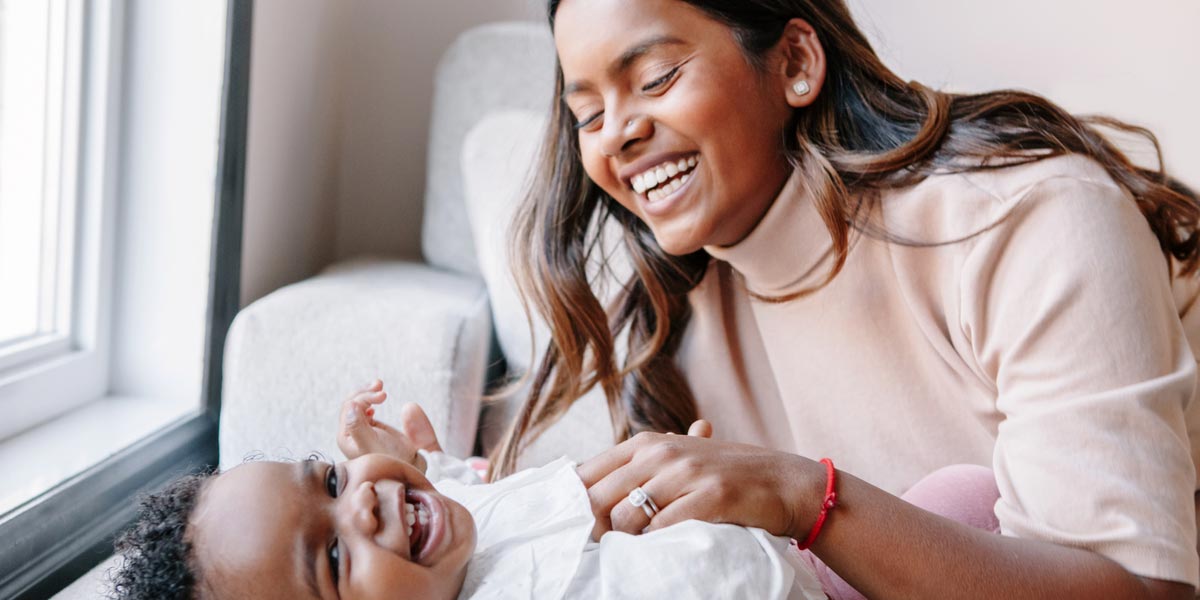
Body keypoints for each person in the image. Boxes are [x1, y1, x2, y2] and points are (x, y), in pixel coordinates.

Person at [490, 0, 1200, 598]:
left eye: (656, 77)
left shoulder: (1026, 218)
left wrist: (807, 498)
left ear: (796, 62)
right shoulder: (681, 328)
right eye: (588, 115)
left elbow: (1140, 589)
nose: (618, 134)